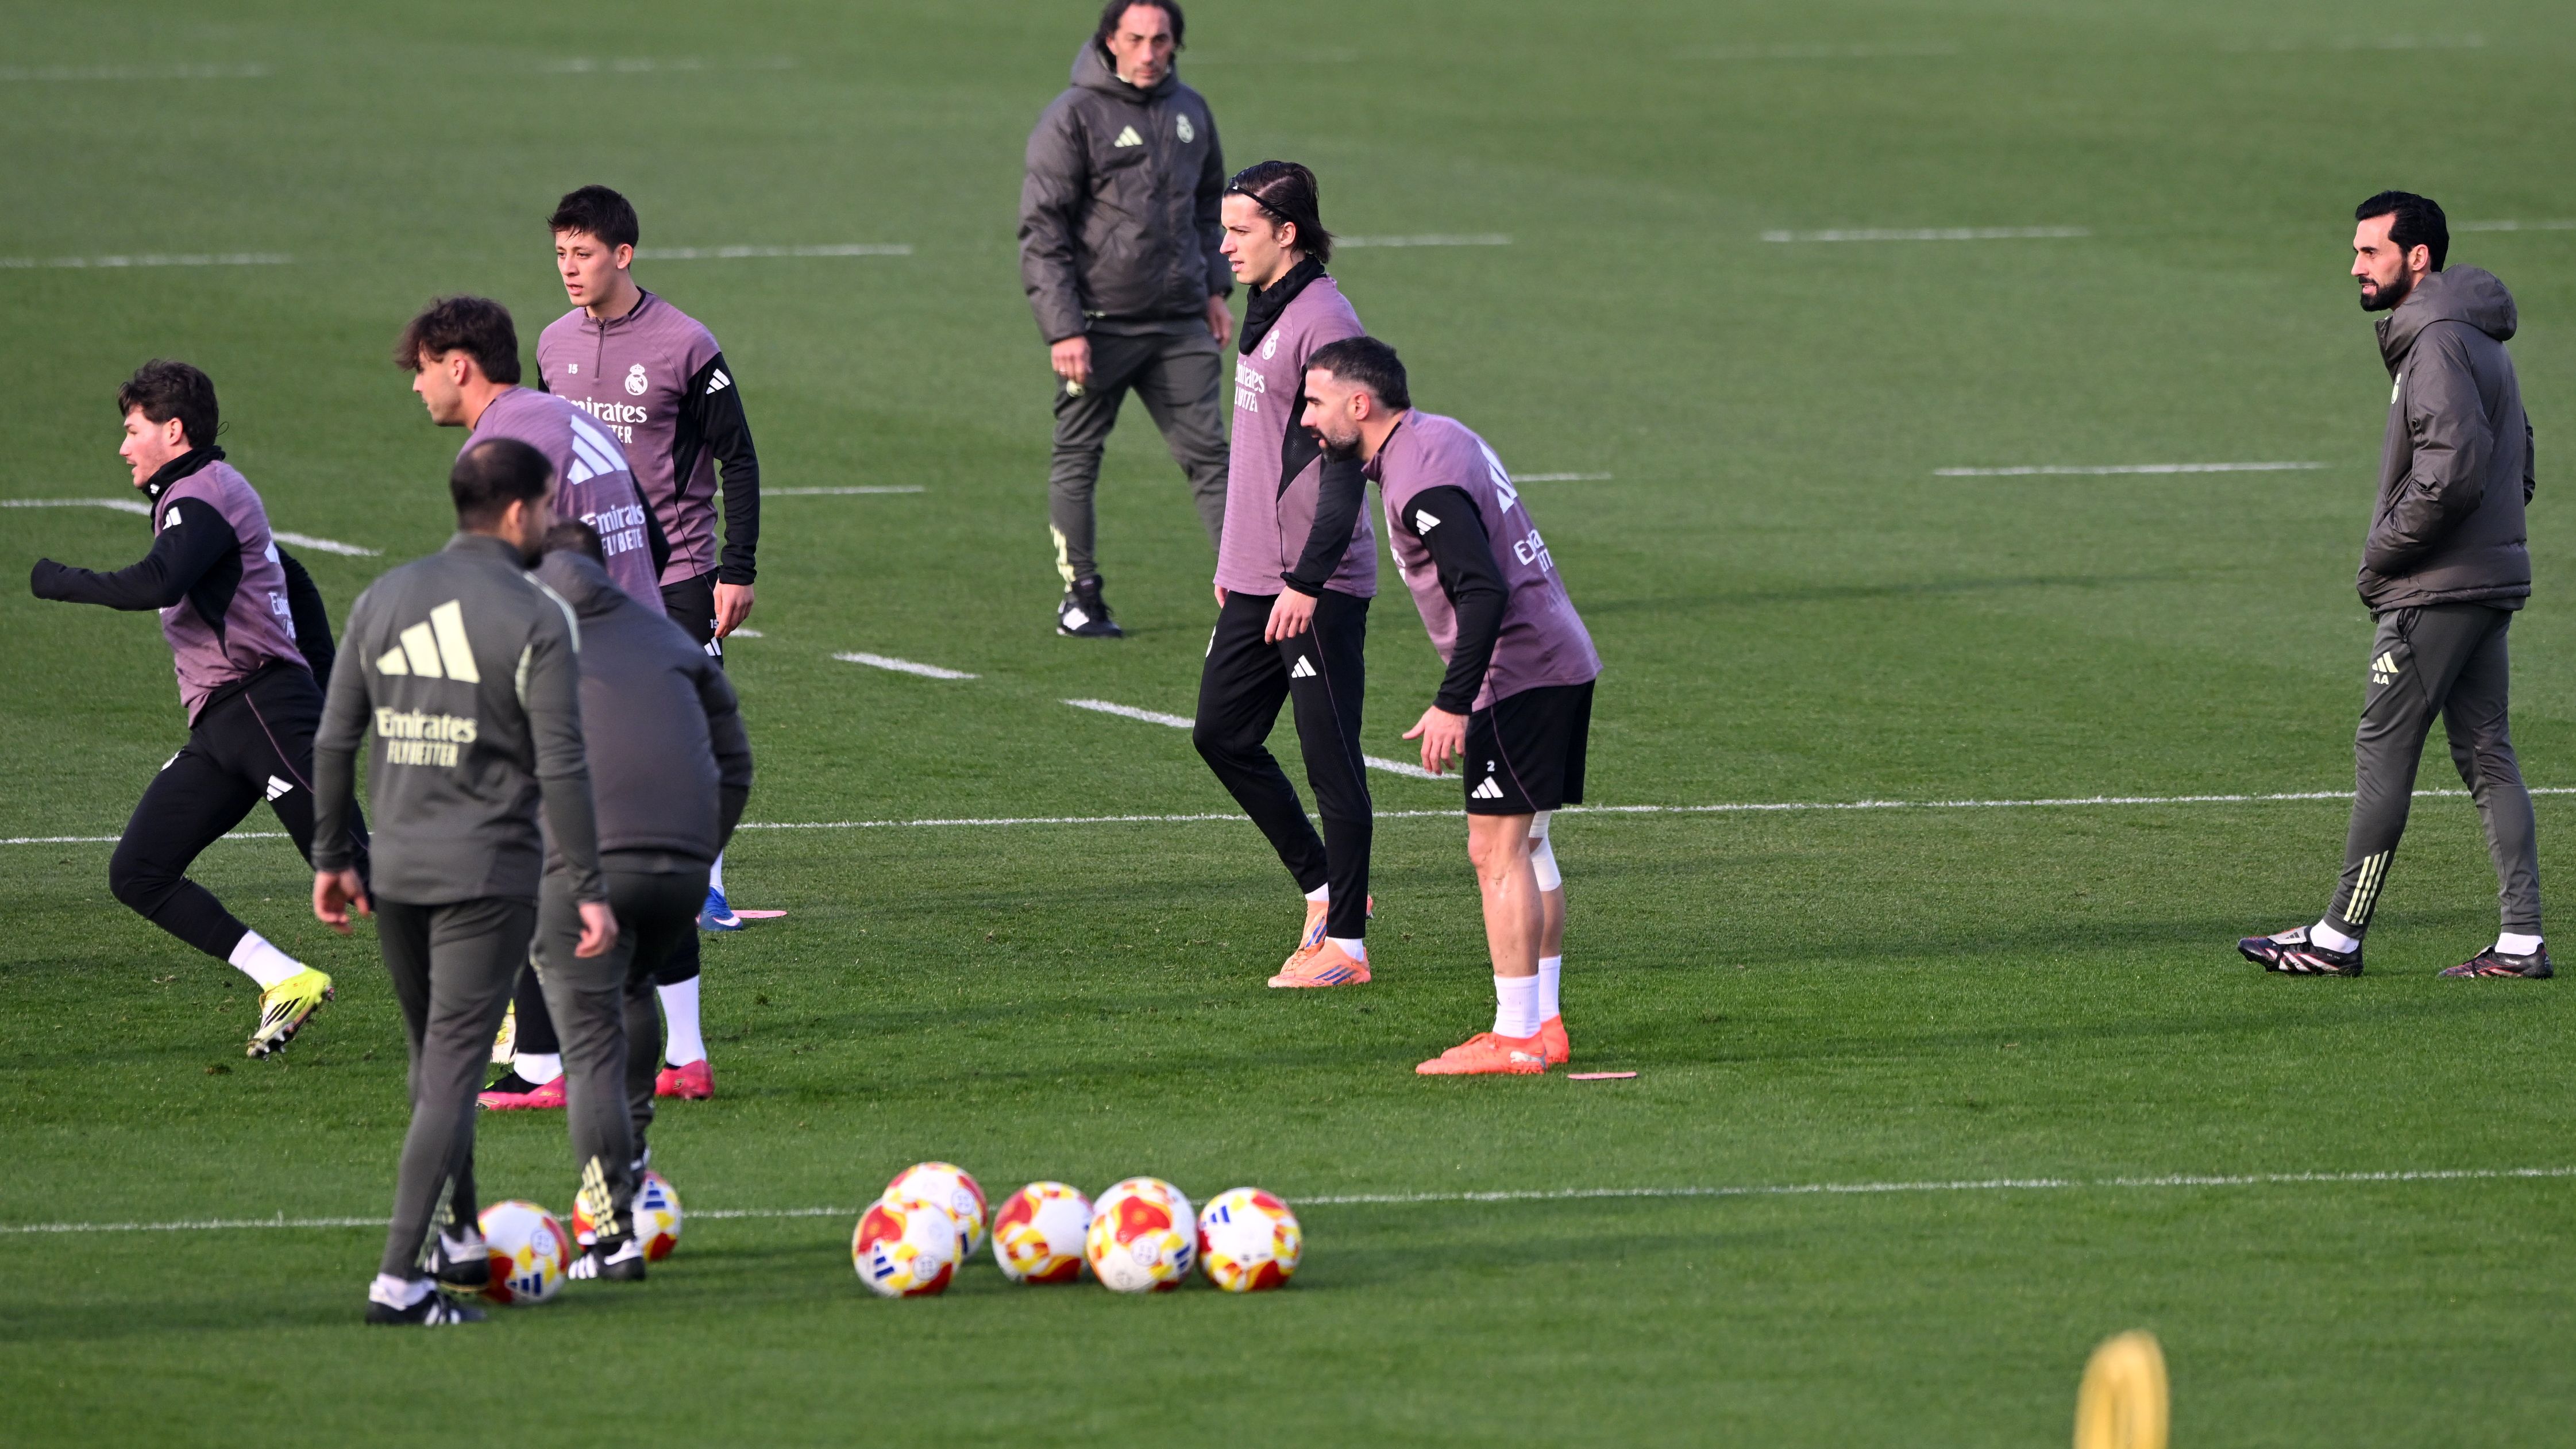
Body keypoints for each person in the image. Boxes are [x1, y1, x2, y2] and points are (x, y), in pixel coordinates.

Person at [311, 437, 618, 1325]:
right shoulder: (536, 614)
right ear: (520, 513)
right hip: (487, 874)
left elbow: (335, 741)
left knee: (432, 1062)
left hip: (397, 869)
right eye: (549, 503)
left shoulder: (381, 597)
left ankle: (458, 1237)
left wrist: (333, 855)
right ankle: (400, 1279)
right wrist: (589, 883)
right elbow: (563, 760)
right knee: (450, 1071)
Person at [2239, 192, 2545, 980]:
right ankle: (2521, 942)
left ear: (2417, 258)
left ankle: (2338, 936)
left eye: (2369, 251)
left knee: (2385, 751)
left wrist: (2383, 556)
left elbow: (2449, 476)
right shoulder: (2479, 338)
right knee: (2489, 756)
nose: (2354, 266)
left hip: (2434, 591)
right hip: (2488, 579)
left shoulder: (2437, 342)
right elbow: (2523, 459)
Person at [29, 360, 360, 1057]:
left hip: (264, 706)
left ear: (172, 430)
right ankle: (284, 977)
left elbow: (161, 579)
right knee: (139, 870)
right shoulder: (203, 494)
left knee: (360, 869)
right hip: (223, 726)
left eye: (132, 429)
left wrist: (59, 580)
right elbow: (292, 576)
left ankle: (515, 998)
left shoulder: (200, 492)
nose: (123, 446)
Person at [1299, 338, 1602, 1075]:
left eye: (1314, 401)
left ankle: (1517, 1033)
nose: (1307, 417)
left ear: (1359, 403)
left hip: (1519, 673)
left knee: (1494, 852)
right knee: (1526, 847)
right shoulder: (1440, 436)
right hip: (1557, 659)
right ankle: (1544, 1024)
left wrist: (1451, 703)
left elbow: (1484, 589)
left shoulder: (1416, 475)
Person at [395, 294, 660, 1107]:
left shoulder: (497, 451)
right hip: (640, 664)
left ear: (459, 365)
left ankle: (550, 1062)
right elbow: (638, 522)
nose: (416, 388)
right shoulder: (561, 413)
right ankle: (593, 1054)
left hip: (588, 680)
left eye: (421, 370)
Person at [537, 184, 763, 1093]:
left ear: (624, 255)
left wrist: (736, 567)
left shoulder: (685, 345)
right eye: (560, 255)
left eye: (583, 254)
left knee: (691, 737)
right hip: (581, 584)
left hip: (675, 579)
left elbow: (737, 457)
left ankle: (705, 877)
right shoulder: (551, 346)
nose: (570, 269)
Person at [526, 521, 753, 1280]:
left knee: (590, 1045)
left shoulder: (538, 646)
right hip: (681, 870)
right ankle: (637, 1150)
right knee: (628, 993)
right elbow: (737, 759)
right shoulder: (674, 641)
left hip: (596, 871)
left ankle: (609, 1230)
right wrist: (701, 847)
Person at [1192, 161, 1378, 988]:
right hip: (1260, 575)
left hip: (1317, 583)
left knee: (1329, 756)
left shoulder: (1327, 322)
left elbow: (1345, 470)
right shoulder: (1268, 310)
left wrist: (1306, 580)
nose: (1224, 244)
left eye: (1239, 230)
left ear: (1287, 233)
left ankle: (1346, 948)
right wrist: (1236, 565)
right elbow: (1263, 455)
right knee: (1222, 733)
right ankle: (1324, 885)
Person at [1019, 0, 1231, 637]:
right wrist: (1063, 327)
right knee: (1079, 456)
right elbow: (1042, 231)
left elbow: (1209, 206)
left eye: (1160, 40)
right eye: (1135, 39)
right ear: (1109, 41)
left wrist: (1214, 289)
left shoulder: (1191, 111)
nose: (1147, 53)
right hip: (1098, 326)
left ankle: (1245, 595)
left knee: (1212, 459)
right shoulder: (1072, 116)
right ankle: (1080, 595)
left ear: (1175, 44)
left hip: (1180, 324)